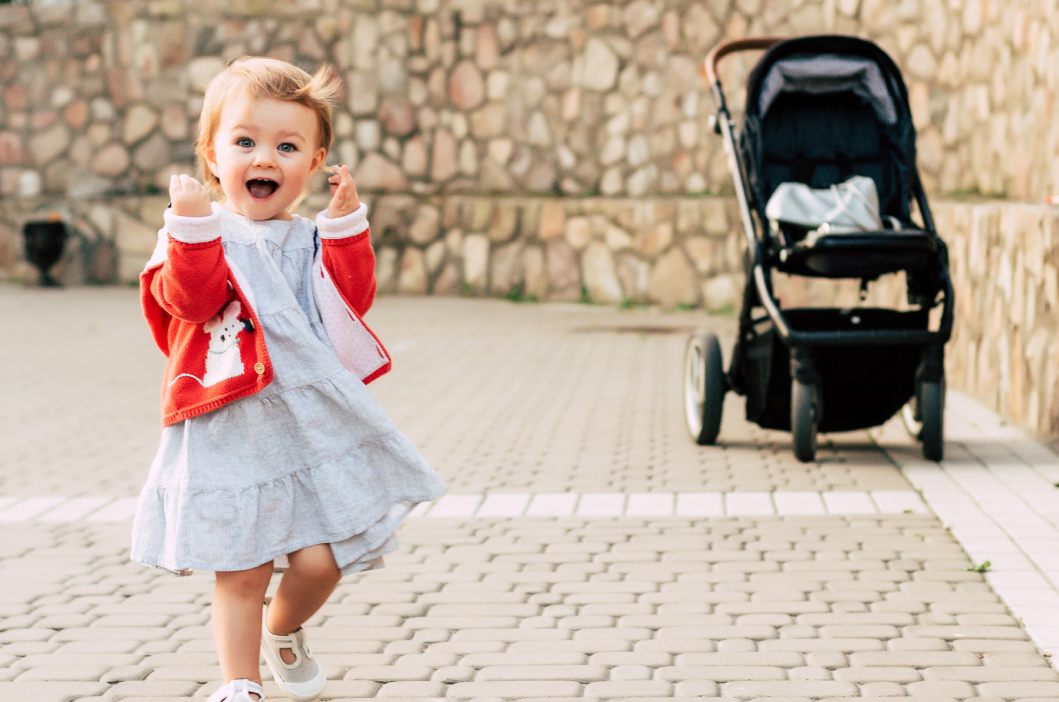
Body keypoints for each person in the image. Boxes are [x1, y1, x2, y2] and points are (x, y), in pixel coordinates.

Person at [130, 56, 446, 702]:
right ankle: (238, 683)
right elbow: (186, 303)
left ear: (313, 159)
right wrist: (189, 226)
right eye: (244, 141)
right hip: (229, 427)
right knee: (240, 568)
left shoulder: (306, 240)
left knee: (321, 561)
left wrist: (345, 225)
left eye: (286, 145)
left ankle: (283, 627)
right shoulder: (199, 231)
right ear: (213, 156)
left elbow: (349, 301)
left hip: (303, 428)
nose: (263, 157)